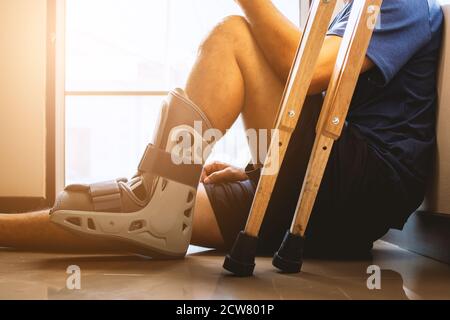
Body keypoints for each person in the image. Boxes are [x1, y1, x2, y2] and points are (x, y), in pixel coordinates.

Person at [0, 0, 443, 258]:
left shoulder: (399, 3)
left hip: (361, 189)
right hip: (323, 191)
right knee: (144, 221)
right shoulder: (345, 11)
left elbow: (306, 74)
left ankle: (155, 190)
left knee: (234, 34)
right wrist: (257, 168)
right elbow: (315, 111)